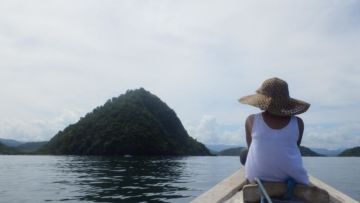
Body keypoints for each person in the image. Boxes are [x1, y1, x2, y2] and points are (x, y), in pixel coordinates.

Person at [238, 77, 310, 185]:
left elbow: (251, 147)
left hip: (256, 180)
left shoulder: (251, 120)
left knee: (244, 152)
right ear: (286, 102)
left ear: (261, 100)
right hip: (293, 180)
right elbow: (295, 147)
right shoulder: (298, 123)